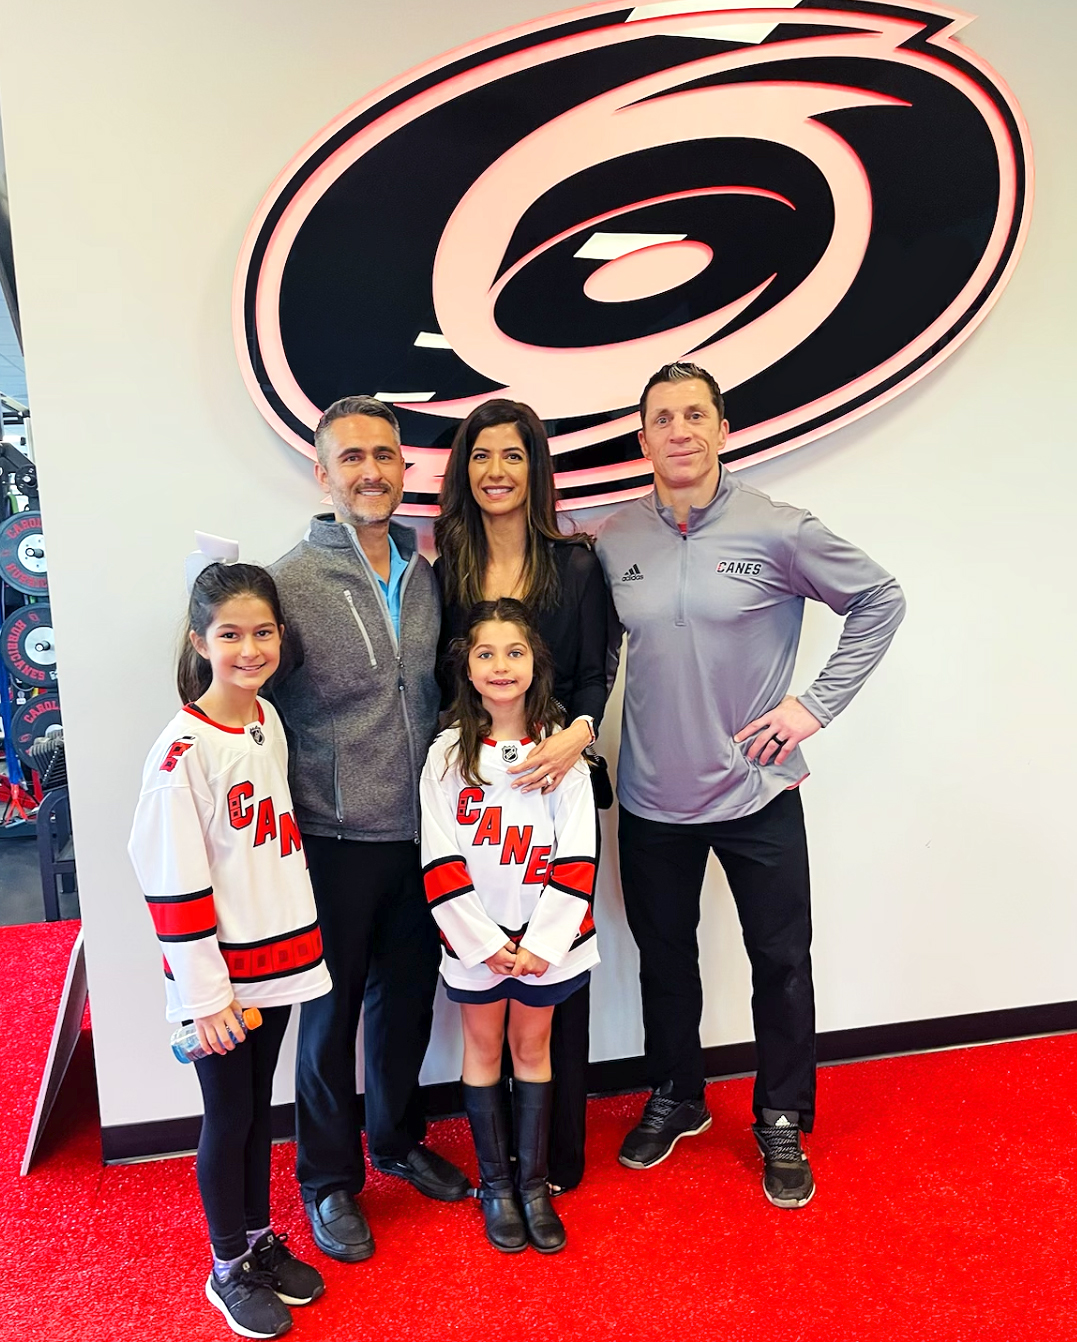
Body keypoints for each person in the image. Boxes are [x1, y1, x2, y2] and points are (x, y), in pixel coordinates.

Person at [595, 362, 906, 1209]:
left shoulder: (778, 528)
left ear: (721, 429)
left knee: (781, 961)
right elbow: (586, 655)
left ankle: (778, 1116)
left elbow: (878, 597)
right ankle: (678, 1095)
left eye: (694, 414)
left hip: (756, 789)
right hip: (653, 793)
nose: (679, 431)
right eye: (662, 418)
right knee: (664, 961)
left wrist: (815, 705)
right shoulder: (614, 539)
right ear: (644, 437)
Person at [269, 396, 469, 1266]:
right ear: (323, 473)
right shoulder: (288, 583)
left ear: (403, 468)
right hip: (334, 837)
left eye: (384, 456)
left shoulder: (424, 573)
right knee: (331, 1013)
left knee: (404, 1003)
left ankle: (393, 1139)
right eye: (351, 457)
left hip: (420, 834)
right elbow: (256, 706)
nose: (371, 472)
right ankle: (327, 1180)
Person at [129, 562, 332, 1340]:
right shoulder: (182, 751)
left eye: (262, 632)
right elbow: (170, 878)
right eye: (230, 635)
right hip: (218, 977)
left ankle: (254, 1239)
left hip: (272, 960)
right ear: (199, 641)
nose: (249, 649)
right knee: (228, 1113)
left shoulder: (265, 721)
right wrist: (205, 994)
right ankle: (225, 1267)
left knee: (256, 1112)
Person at [433, 398, 609, 1194]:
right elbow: (440, 686)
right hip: (473, 795)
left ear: (535, 468)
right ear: (462, 472)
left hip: (555, 782)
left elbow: (597, 672)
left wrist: (577, 734)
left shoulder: (573, 563)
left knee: (550, 980)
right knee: (482, 988)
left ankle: (546, 1167)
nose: (495, 472)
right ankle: (496, 1173)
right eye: (480, 456)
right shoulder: (447, 570)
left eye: (511, 456)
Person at [420, 599, 599, 1253]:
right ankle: (496, 1185)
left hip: (547, 944)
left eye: (514, 652)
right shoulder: (444, 756)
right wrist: (486, 943)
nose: (500, 665)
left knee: (532, 1051)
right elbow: (436, 855)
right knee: (484, 1053)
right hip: (476, 942)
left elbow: (580, 851)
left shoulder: (560, 756)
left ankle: (534, 1184)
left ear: (535, 663)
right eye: (485, 653)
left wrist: (543, 943)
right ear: (465, 667)